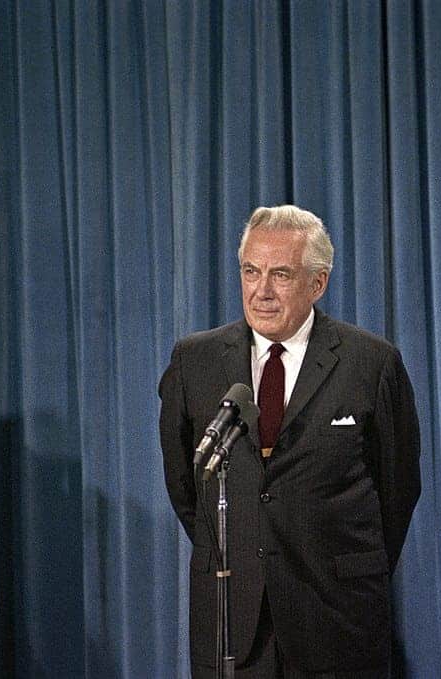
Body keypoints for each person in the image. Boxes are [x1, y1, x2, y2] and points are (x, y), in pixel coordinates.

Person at [159, 205, 421, 678]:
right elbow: (186, 484)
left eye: (280, 275)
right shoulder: (194, 361)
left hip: (337, 619)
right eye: (250, 271)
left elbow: (397, 488)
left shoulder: (371, 363)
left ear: (317, 284)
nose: (261, 290)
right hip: (232, 621)